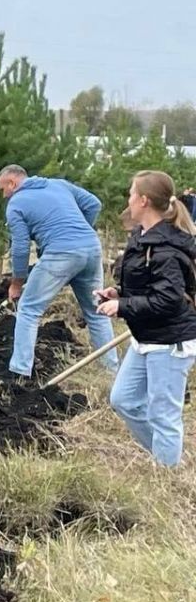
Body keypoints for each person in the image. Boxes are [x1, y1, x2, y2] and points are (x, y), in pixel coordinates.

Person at [97, 171, 196, 467]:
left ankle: (167, 477)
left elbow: (168, 299)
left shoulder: (166, 250)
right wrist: (118, 293)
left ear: (143, 200)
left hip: (170, 342)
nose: (127, 198)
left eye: (131, 193)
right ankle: (165, 457)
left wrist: (123, 306)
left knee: (163, 416)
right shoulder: (142, 237)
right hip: (147, 337)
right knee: (123, 400)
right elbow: (149, 286)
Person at [0, 164, 117, 378]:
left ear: (12, 183)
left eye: (2, 189)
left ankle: (19, 373)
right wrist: (81, 230)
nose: (3, 195)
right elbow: (93, 204)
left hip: (61, 254)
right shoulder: (58, 184)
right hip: (91, 248)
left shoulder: (16, 203)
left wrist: (17, 283)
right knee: (96, 311)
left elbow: (21, 247)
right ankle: (111, 372)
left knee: (29, 309)